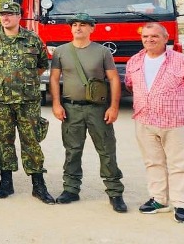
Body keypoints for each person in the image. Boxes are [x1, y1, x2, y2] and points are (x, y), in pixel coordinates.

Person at [50, 13, 127, 212]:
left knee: (106, 150)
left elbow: (114, 79)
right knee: (72, 151)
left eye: (83, 25)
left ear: (92, 28)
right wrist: (56, 104)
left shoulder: (102, 52)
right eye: (74, 25)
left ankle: (115, 192)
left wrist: (114, 106)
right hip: (71, 108)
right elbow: (54, 79)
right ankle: (71, 189)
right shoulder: (61, 51)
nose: (78, 28)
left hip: (98, 109)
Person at [0, 2, 54, 204]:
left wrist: (22, 82)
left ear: (19, 16)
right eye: (3, 14)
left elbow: (41, 66)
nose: (5, 18)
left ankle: (38, 185)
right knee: (2, 141)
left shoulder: (32, 39)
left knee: (31, 141)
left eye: (10, 14)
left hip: (27, 101)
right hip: (0, 101)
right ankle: (6, 182)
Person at [125, 22, 184, 224]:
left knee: (178, 164)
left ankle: (180, 204)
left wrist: (174, 104)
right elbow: (131, 86)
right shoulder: (134, 61)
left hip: (175, 121)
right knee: (153, 162)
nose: (149, 40)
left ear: (166, 38)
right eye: (145, 37)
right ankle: (159, 200)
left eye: (154, 36)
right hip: (145, 120)